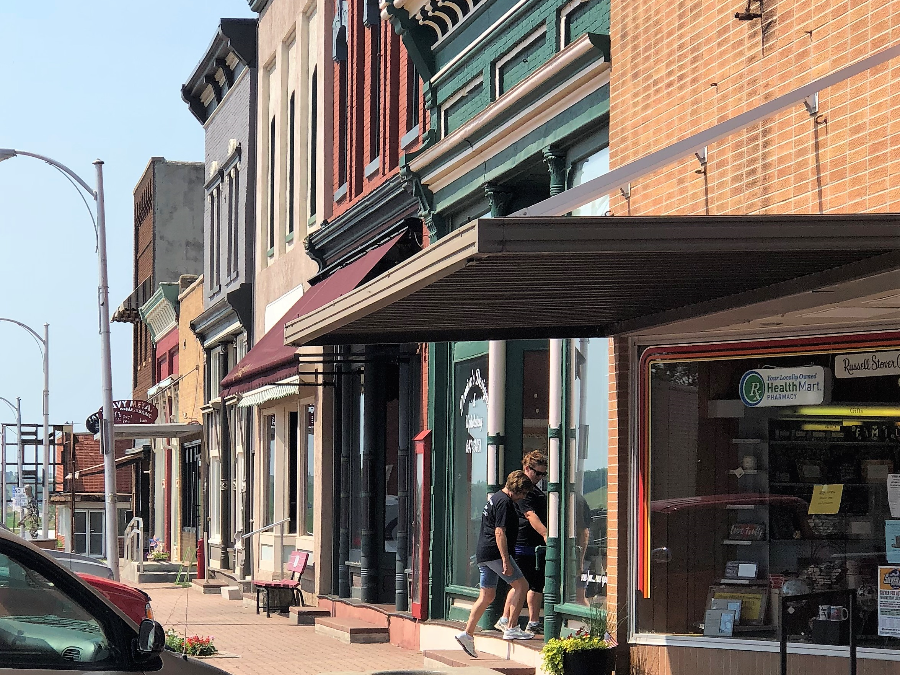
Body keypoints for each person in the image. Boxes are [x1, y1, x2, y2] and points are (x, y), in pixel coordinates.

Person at [455, 470, 535, 657]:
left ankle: (467, 634)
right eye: (523, 493)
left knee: (487, 596)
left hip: (484, 553)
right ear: (517, 489)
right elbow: (500, 532)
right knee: (522, 585)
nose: (523, 497)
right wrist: (506, 560)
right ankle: (512, 627)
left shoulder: (496, 498)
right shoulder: (505, 503)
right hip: (495, 553)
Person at [494, 450, 548, 636]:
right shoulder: (523, 490)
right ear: (527, 468)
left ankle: (532, 621)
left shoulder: (535, 490)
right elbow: (529, 514)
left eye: (543, 474)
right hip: (523, 543)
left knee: (534, 584)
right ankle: (506, 620)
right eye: (537, 473)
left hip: (534, 545)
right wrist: (546, 534)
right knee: (520, 585)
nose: (540, 477)